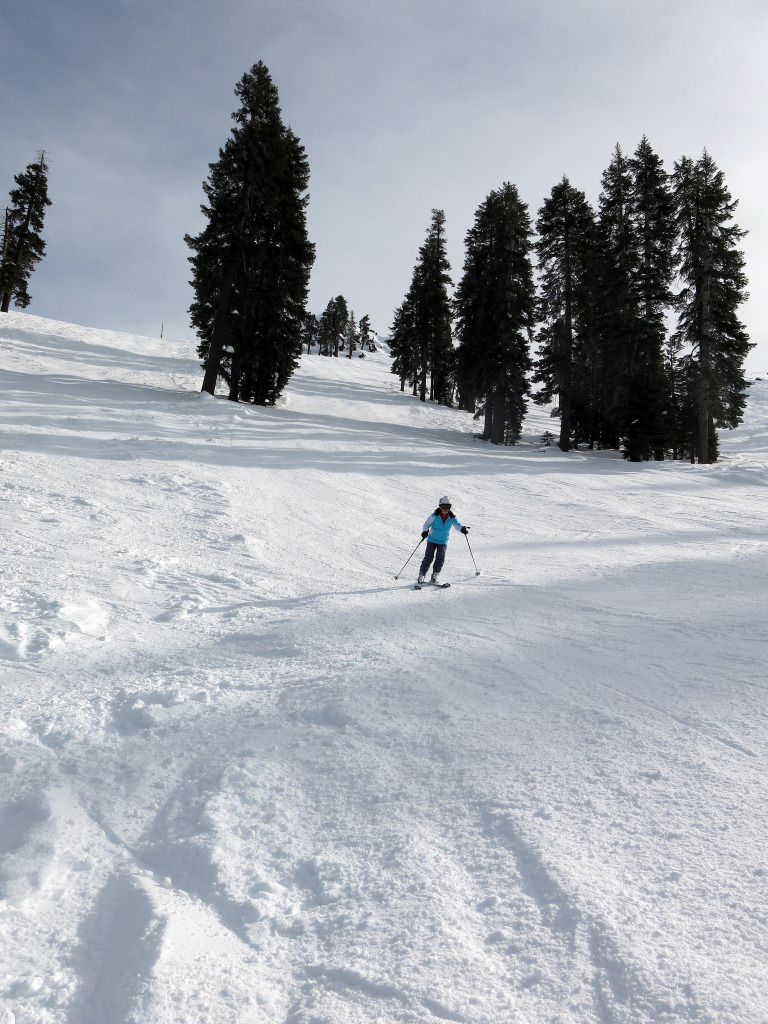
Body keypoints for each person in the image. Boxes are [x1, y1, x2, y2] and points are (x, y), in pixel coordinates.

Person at [417, 496, 469, 585]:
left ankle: (435, 576)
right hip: (432, 540)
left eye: (447, 507)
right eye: (444, 507)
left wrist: (462, 529)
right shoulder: (434, 516)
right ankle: (422, 575)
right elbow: (426, 524)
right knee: (428, 557)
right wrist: (425, 532)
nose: (445, 509)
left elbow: (457, 525)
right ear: (440, 507)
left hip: (443, 541)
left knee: (440, 558)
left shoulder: (452, 517)